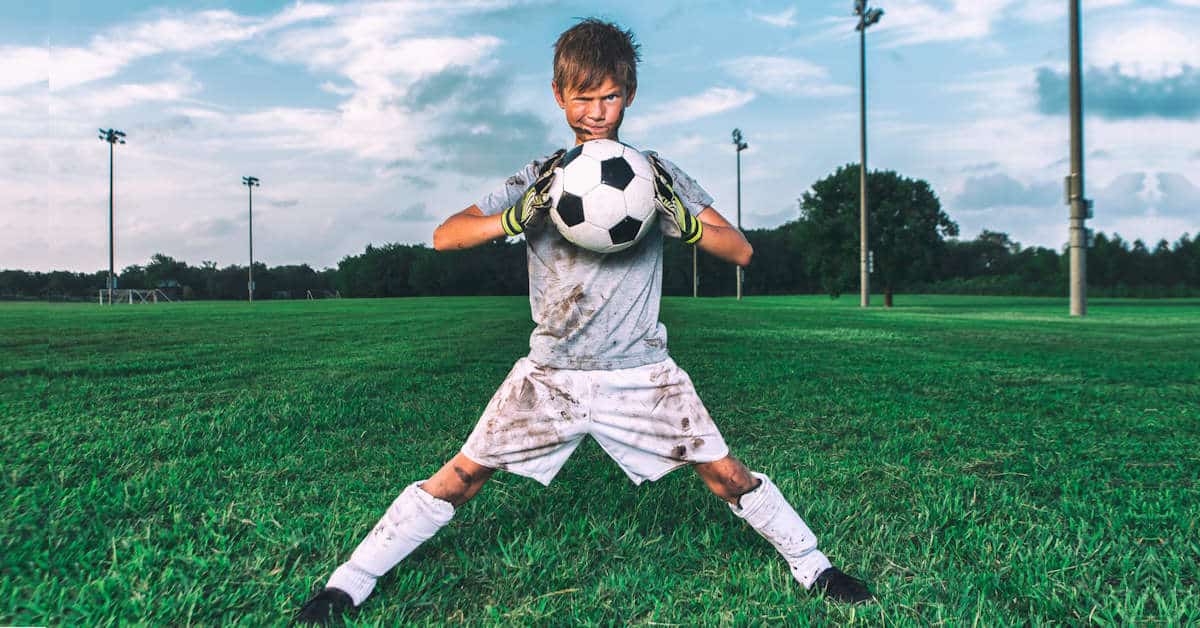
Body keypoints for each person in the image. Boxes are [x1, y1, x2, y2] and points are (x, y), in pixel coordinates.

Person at [297, 18, 873, 624]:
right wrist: (513, 217)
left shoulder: (656, 175)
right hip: (549, 376)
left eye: (610, 97)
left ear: (630, 94)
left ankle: (814, 565)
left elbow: (742, 251)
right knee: (462, 476)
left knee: (726, 475)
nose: (597, 112)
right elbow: (446, 235)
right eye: (583, 97)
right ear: (557, 95)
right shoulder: (541, 176)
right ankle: (348, 583)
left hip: (643, 372)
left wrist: (688, 222)